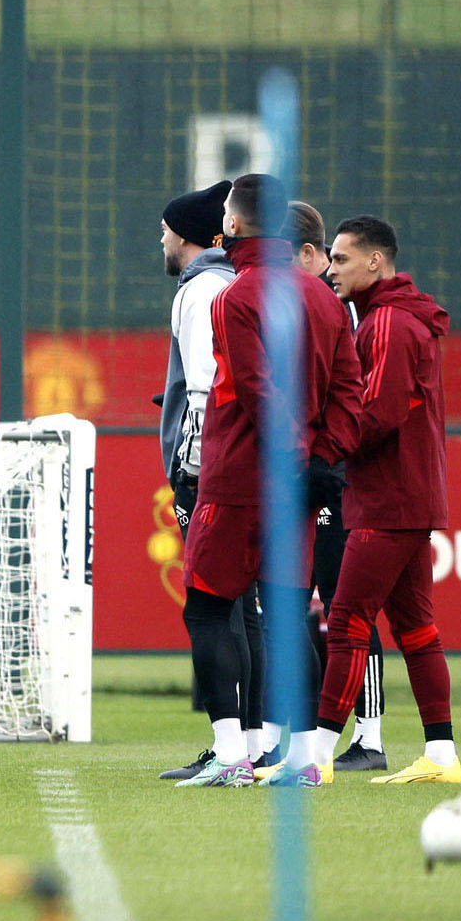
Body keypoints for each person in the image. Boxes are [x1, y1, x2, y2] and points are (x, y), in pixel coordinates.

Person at [173, 173, 360, 788]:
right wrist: (324, 462)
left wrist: (297, 456)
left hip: (239, 478)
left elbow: (256, 390)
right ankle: (305, 759)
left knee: (207, 609)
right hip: (302, 484)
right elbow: (347, 390)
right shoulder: (323, 296)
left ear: (232, 225)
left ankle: (232, 755)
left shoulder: (238, 295)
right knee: (286, 613)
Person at [283, 216, 456, 786]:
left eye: (341, 258)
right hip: (408, 496)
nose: (332, 269)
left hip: (388, 500)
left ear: (375, 262)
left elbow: (375, 413)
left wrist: (322, 450)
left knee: (346, 618)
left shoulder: (386, 324)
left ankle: (319, 757)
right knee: (416, 629)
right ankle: (441, 756)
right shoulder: (398, 319)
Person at [152, 182, 239, 780]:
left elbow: (208, 387)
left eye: (165, 229)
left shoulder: (199, 290)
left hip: (212, 471)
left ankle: (231, 746)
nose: (160, 239)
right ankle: (256, 742)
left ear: (187, 236)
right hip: (245, 467)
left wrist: (193, 469)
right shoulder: (232, 285)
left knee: (213, 609)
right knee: (250, 611)